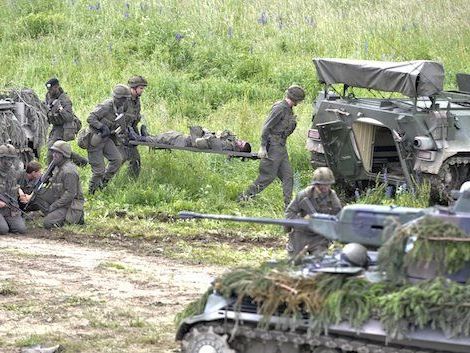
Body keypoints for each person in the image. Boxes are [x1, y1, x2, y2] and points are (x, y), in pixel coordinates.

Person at [238, 85, 305, 207]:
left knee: (288, 176)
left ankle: (288, 205)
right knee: (267, 176)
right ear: (296, 99)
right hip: (273, 147)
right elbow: (266, 127)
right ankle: (244, 197)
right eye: (299, 100)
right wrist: (263, 147)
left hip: (281, 147)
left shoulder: (288, 109)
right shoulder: (280, 108)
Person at [20, 141, 85, 229]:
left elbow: (70, 195)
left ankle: (74, 218)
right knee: (38, 193)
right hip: (59, 197)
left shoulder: (69, 171)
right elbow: (50, 182)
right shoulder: (58, 166)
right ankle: (52, 214)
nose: (54, 155)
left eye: (57, 153)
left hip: (69, 205)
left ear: (64, 155)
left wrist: (54, 206)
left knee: (47, 223)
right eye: (54, 152)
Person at [285, 167, 342, 257]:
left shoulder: (332, 197)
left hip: (319, 237)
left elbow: (338, 218)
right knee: (294, 263)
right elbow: (289, 214)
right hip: (301, 235)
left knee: (319, 262)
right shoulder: (303, 195)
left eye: (327, 184)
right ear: (315, 185)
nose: (324, 188)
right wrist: (304, 221)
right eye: (321, 185)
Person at [86, 84, 131, 194]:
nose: (125, 101)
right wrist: (101, 127)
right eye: (123, 99)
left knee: (117, 160)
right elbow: (90, 118)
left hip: (107, 139)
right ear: (117, 98)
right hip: (95, 139)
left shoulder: (120, 108)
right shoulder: (106, 106)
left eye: (126, 99)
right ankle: (91, 193)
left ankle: (103, 184)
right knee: (98, 171)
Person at [44, 78, 88, 166]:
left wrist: (60, 108)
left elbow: (69, 118)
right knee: (59, 149)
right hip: (56, 125)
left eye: (51, 89)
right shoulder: (48, 95)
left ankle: (49, 172)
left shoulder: (65, 100)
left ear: (57, 87)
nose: (49, 92)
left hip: (65, 127)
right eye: (48, 89)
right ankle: (82, 162)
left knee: (51, 148)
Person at [130, 125, 252, 153]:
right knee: (169, 135)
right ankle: (148, 137)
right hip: (190, 140)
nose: (239, 140)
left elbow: (211, 143)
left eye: (241, 143)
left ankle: (139, 138)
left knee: (168, 138)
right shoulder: (230, 143)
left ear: (239, 148)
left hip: (189, 143)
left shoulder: (228, 146)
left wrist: (214, 135)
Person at [119, 75, 148, 178]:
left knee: (135, 161)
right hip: (119, 136)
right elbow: (118, 120)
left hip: (129, 134)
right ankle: (101, 182)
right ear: (133, 88)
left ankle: (131, 183)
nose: (142, 91)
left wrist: (137, 135)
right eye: (141, 88)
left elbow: (134, 120)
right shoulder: (123, 100)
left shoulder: (136, 100)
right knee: (118, 160)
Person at [0, 144, 27, 234]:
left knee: (21, 229)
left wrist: (20, 191)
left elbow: (14, 187)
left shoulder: (12, 172)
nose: (10, 162)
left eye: (12, 159)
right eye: (7, 159)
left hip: (9, 207)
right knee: (3, 230)